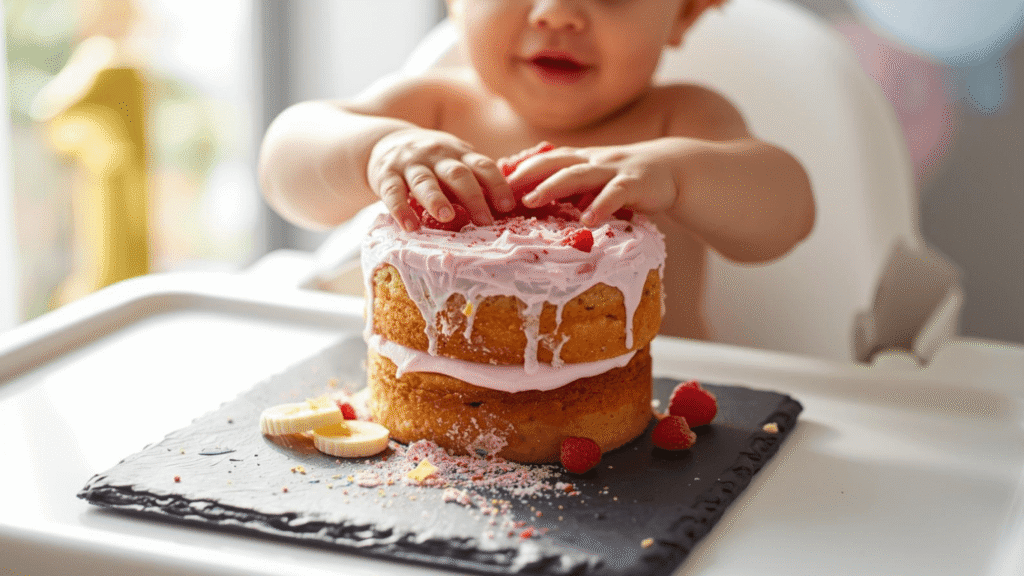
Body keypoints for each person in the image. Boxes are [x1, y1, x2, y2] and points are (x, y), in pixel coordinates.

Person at [258, 0, 815, 341]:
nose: (557, 11)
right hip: (439, 416)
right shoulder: (431, 110)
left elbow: (787, 213)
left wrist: (678, 174)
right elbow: (285, 164)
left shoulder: (680, 120)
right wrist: (375, 152)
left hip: (648, 426)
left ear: (685, 11)